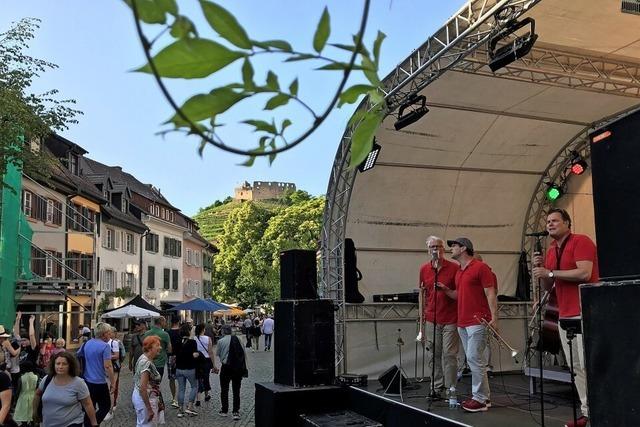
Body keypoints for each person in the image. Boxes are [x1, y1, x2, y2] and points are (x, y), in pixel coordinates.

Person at [532, 208, 598, 427]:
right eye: (548, 221)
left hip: (584, 311)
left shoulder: (581, 241)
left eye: (555, 221)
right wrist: (541, 270)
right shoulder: (551, 250)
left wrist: (550, 273)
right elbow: (549, 285)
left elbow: (584, 273)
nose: (550, 224)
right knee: (576, 367)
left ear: (567, 223)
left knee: (590, 365)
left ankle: (601, 410)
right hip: (564, 313)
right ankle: (587, 412)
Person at [443, 237, 497, 413]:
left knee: (474, 358)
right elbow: (460, 295)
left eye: (454, 246)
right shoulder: (459, 271)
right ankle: (483, 398)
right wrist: (445, 290)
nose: (451, 248)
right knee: (474, 359)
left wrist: (494, 318)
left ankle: (480, 398)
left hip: (478, 321)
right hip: (463, 322)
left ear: (464, 248)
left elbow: (490, 292)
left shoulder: (480, 268)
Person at [419, 235, 460, 398]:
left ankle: (451, 389)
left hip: (450, 317)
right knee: (433, 354)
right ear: (428, 250)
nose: (436, 250)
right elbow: (423, 294)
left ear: (444, 249)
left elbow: (459, 293)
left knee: (449, 354)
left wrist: (446, 290)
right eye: (432, 247)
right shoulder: (424, 269)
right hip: (432, 317)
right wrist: (422, 317)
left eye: (438, 246)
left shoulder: (454, 268)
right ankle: (436, 387)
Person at [32, 351, 98, 427]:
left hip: (71, 423)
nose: (60, 367)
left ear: (70, 365)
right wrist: (34, 411)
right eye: (58, 363)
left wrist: (94, 423)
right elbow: (37, 394)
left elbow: (87, 404)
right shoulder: (47, 379)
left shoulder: (78, 383)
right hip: (47, 423)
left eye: (64, 364)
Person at [78, 322, 116, 425]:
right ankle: (93, 423)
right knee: (105, 406)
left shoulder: (86, 344)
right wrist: (113, 383)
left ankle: (88, 424)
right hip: (99, 382)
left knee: (89, 406)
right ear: (104, 334)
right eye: (109, 333)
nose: (110, 335)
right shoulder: (105, 346)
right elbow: (108, 366)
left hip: (87, 381)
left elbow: (79, 356)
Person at [215, 324, 247, 421]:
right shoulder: (239, 339)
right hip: (237, 368)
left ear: (223, 331)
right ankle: (236, 412)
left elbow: (218, 354)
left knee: (224, 389)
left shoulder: (220, 341)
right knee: (236, 390)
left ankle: (224, 410)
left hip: (226, 367)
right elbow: (243, 353)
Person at [132, 336, 165, 427]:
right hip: (146, 400)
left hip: (142, 398)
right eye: (157, 345)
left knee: (142, 424)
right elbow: (143, 388)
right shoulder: (146, 363)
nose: (160, 348)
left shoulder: (144, 358)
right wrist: (149, 409)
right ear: (150, 348)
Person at [174, 324, 199, 418]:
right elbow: (195, 355)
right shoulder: (193, 342)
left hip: (179, 369)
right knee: (194, 387)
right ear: (189, 331)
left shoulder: (177, 342)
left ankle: (180, 410)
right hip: (190, 368)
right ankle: (190, 406)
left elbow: (174, 354)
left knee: (181, 389)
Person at [194, 324, 215, 406]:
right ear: (203, 329)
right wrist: (214, 364)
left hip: (197, 360)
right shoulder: (208, 339)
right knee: (206, 377)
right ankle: (206, 395)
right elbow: (210, 352)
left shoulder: (194, 338)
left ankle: (198, 399)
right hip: (206, 360)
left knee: (199, 378)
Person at [13, 361, 38, 426]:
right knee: (32, 416)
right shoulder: (36, 377)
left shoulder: (21, 378)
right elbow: (37, 388)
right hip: (33, 397)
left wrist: (15, 400)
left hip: (23, 398)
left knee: (23, 417)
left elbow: (18, 390)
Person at [166, 317, 181, 409]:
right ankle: (179, 397)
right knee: (181, 378)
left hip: (170, 357)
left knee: (172, 378)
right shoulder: (181, 332)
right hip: (180, 357)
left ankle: (174, 398)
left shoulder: (167, 332)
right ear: (179, 322)